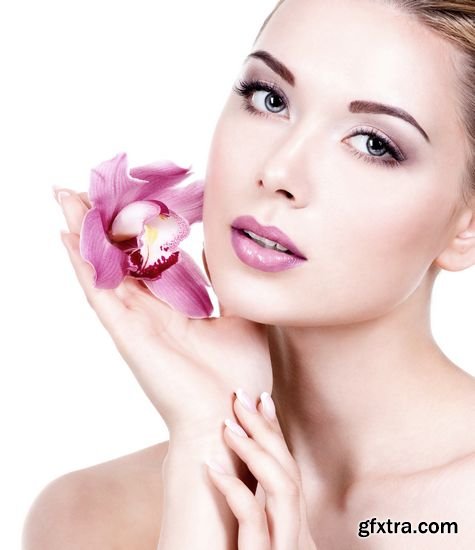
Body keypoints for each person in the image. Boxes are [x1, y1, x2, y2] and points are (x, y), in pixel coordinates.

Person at [22, 0, 475, 548]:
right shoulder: (88, 517)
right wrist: (206, 451)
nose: (279, 170)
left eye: (374, 143)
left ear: (466, 226)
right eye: (269, 98)